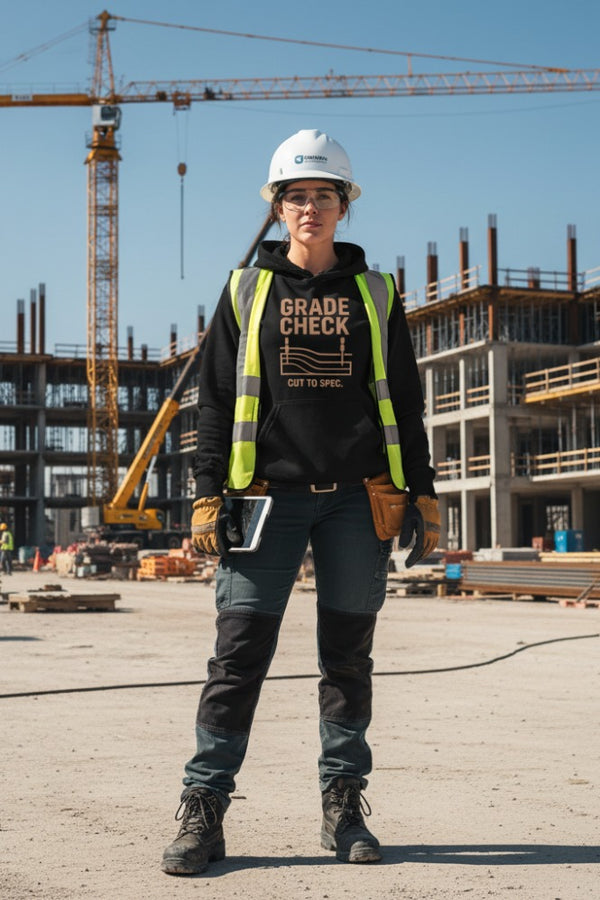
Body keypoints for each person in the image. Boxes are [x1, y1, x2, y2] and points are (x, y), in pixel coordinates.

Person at [161, 128, 439, 876]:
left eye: (323, 194)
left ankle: (344, 809)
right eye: (296, 195)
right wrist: (205, 493)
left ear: (343, 207)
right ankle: (203, 810)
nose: (309, 207)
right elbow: (214, 401)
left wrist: (425, 490)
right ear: (278, 209)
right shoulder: (246, 290)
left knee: (348, 659)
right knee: (238, 657)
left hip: (356, 500)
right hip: (263, 501)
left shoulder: (375, 293)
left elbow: (404, 404)